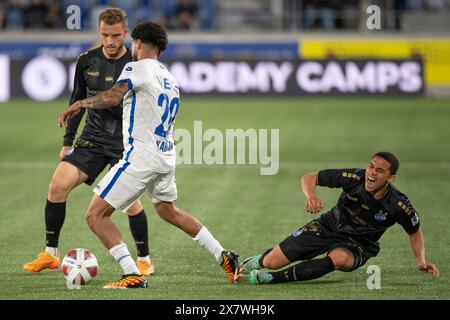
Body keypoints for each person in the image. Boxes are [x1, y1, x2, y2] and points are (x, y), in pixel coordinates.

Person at [58, 21, 240, 289]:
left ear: (140, 43)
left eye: (132, 42)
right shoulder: (170, 79)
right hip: (165, 156)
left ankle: (132, 274)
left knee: (95, 215)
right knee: (169, 211)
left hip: (141, 157)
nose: (131, 46)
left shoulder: (136, 67)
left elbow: (112, 97)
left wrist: (80, 103)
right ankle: (223, 255)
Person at [24, 8, 155, 278]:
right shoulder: (86, 61)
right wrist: (67, 141)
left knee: (131, 204)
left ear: (126, 34)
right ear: (99, 32)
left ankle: (144, 260)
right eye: (105, 35)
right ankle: (50, 254)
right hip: (92, 139)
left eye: (116, 35)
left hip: (125, 143)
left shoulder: (137, 65)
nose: (110, 41)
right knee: (57, 185)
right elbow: (76, 101)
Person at [241, 152, 439, 285]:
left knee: (340, 258)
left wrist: (421, 260)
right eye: (371, 167)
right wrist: (311, 196)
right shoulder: (353, 178)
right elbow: (310, 177)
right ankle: (262, 260)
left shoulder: (398, 205)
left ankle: (272, 279)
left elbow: (415, 232)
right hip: (329, 226)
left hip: (359, 244)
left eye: (380, 171)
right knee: (272, 261)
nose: (372, 173)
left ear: (390, 178)